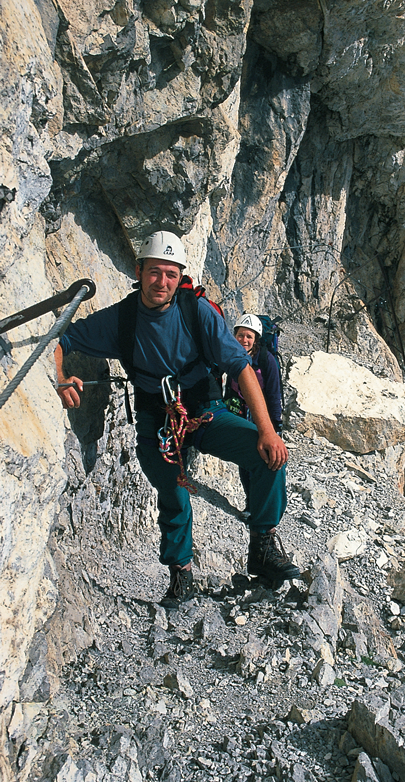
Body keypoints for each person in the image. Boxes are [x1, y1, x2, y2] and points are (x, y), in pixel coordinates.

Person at [54, 231, 300, 607]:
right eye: (154, 272)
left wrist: (267, 430)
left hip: (204, 412)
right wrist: (59, 376)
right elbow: (60, 339)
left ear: (179, 276)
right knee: (173, 491)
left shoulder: (195, 310)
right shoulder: (122, 319)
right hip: (156, 420)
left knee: (268, 455)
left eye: (170, 274)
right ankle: (180, 574)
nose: (162, 282)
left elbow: (240, 367)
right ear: (139, 271)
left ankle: (262, 544)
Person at [225, 314, 282, 515]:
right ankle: (251, 503)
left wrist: (275, 428)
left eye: (249, 336)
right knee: (245, 463)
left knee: (264, 462)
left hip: (262, 420)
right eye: (240, 335)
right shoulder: (232, 357)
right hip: (240, 416)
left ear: (256, 339)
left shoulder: (266, 361)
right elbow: (229, 389)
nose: (244, 340)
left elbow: (275, 395)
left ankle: (262, 508)